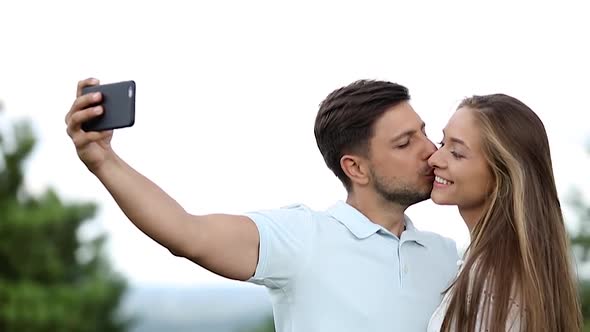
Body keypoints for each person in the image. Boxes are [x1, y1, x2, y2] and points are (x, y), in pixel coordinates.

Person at [65, 78, 459, 332]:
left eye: (424, 132)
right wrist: (103, 161)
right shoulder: (304, 238)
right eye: (405, 143)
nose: (431, 151)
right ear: (355, 168)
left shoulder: (448, 257)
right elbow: (187, 233)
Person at [426, 94, 582, 332]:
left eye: (456, 153)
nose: (434, 159)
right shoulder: (508, 267)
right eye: (442, 143)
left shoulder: (491, 283)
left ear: (502, 176)